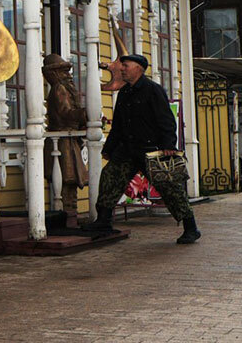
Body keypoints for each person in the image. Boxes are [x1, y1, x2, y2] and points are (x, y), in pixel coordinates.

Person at [84, 54, 200, 244]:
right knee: (109, 178)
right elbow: (118, 124)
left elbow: (166, 120)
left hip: (151, 151)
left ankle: (191, 228)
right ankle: (103, 221)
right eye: (122, 66)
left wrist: (168, 146)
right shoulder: (124, 92)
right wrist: (109, 148)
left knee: (169, 188)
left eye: (126, 66)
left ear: (138, 68)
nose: (122, 69)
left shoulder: (153, 90)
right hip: (127, 150)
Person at [43, 54, 88, 224]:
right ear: (55, 73)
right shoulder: (59, 89)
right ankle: (68, 217)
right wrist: (84, 114)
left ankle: (71, 215)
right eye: (64, 71)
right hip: (63, 143)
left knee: (70, 183)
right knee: (66, 181)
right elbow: (65, 113)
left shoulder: (64, 88)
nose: (68, 75)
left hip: (69, 141)